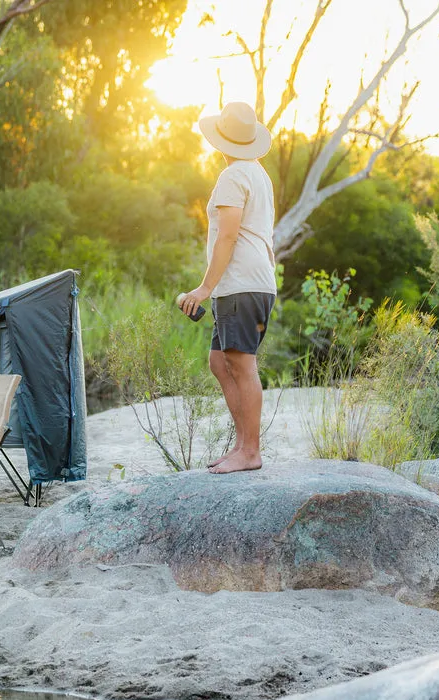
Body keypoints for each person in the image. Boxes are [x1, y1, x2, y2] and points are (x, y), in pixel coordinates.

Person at [178, 101, 277, 474]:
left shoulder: (232, 177)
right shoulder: (257, 174)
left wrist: (203, 288)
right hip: (251, 283)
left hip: (241, 284)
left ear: (221, 142)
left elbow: (228, 236)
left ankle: (250, 451)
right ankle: (242, 446)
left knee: (240, 362)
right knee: (220, 361)